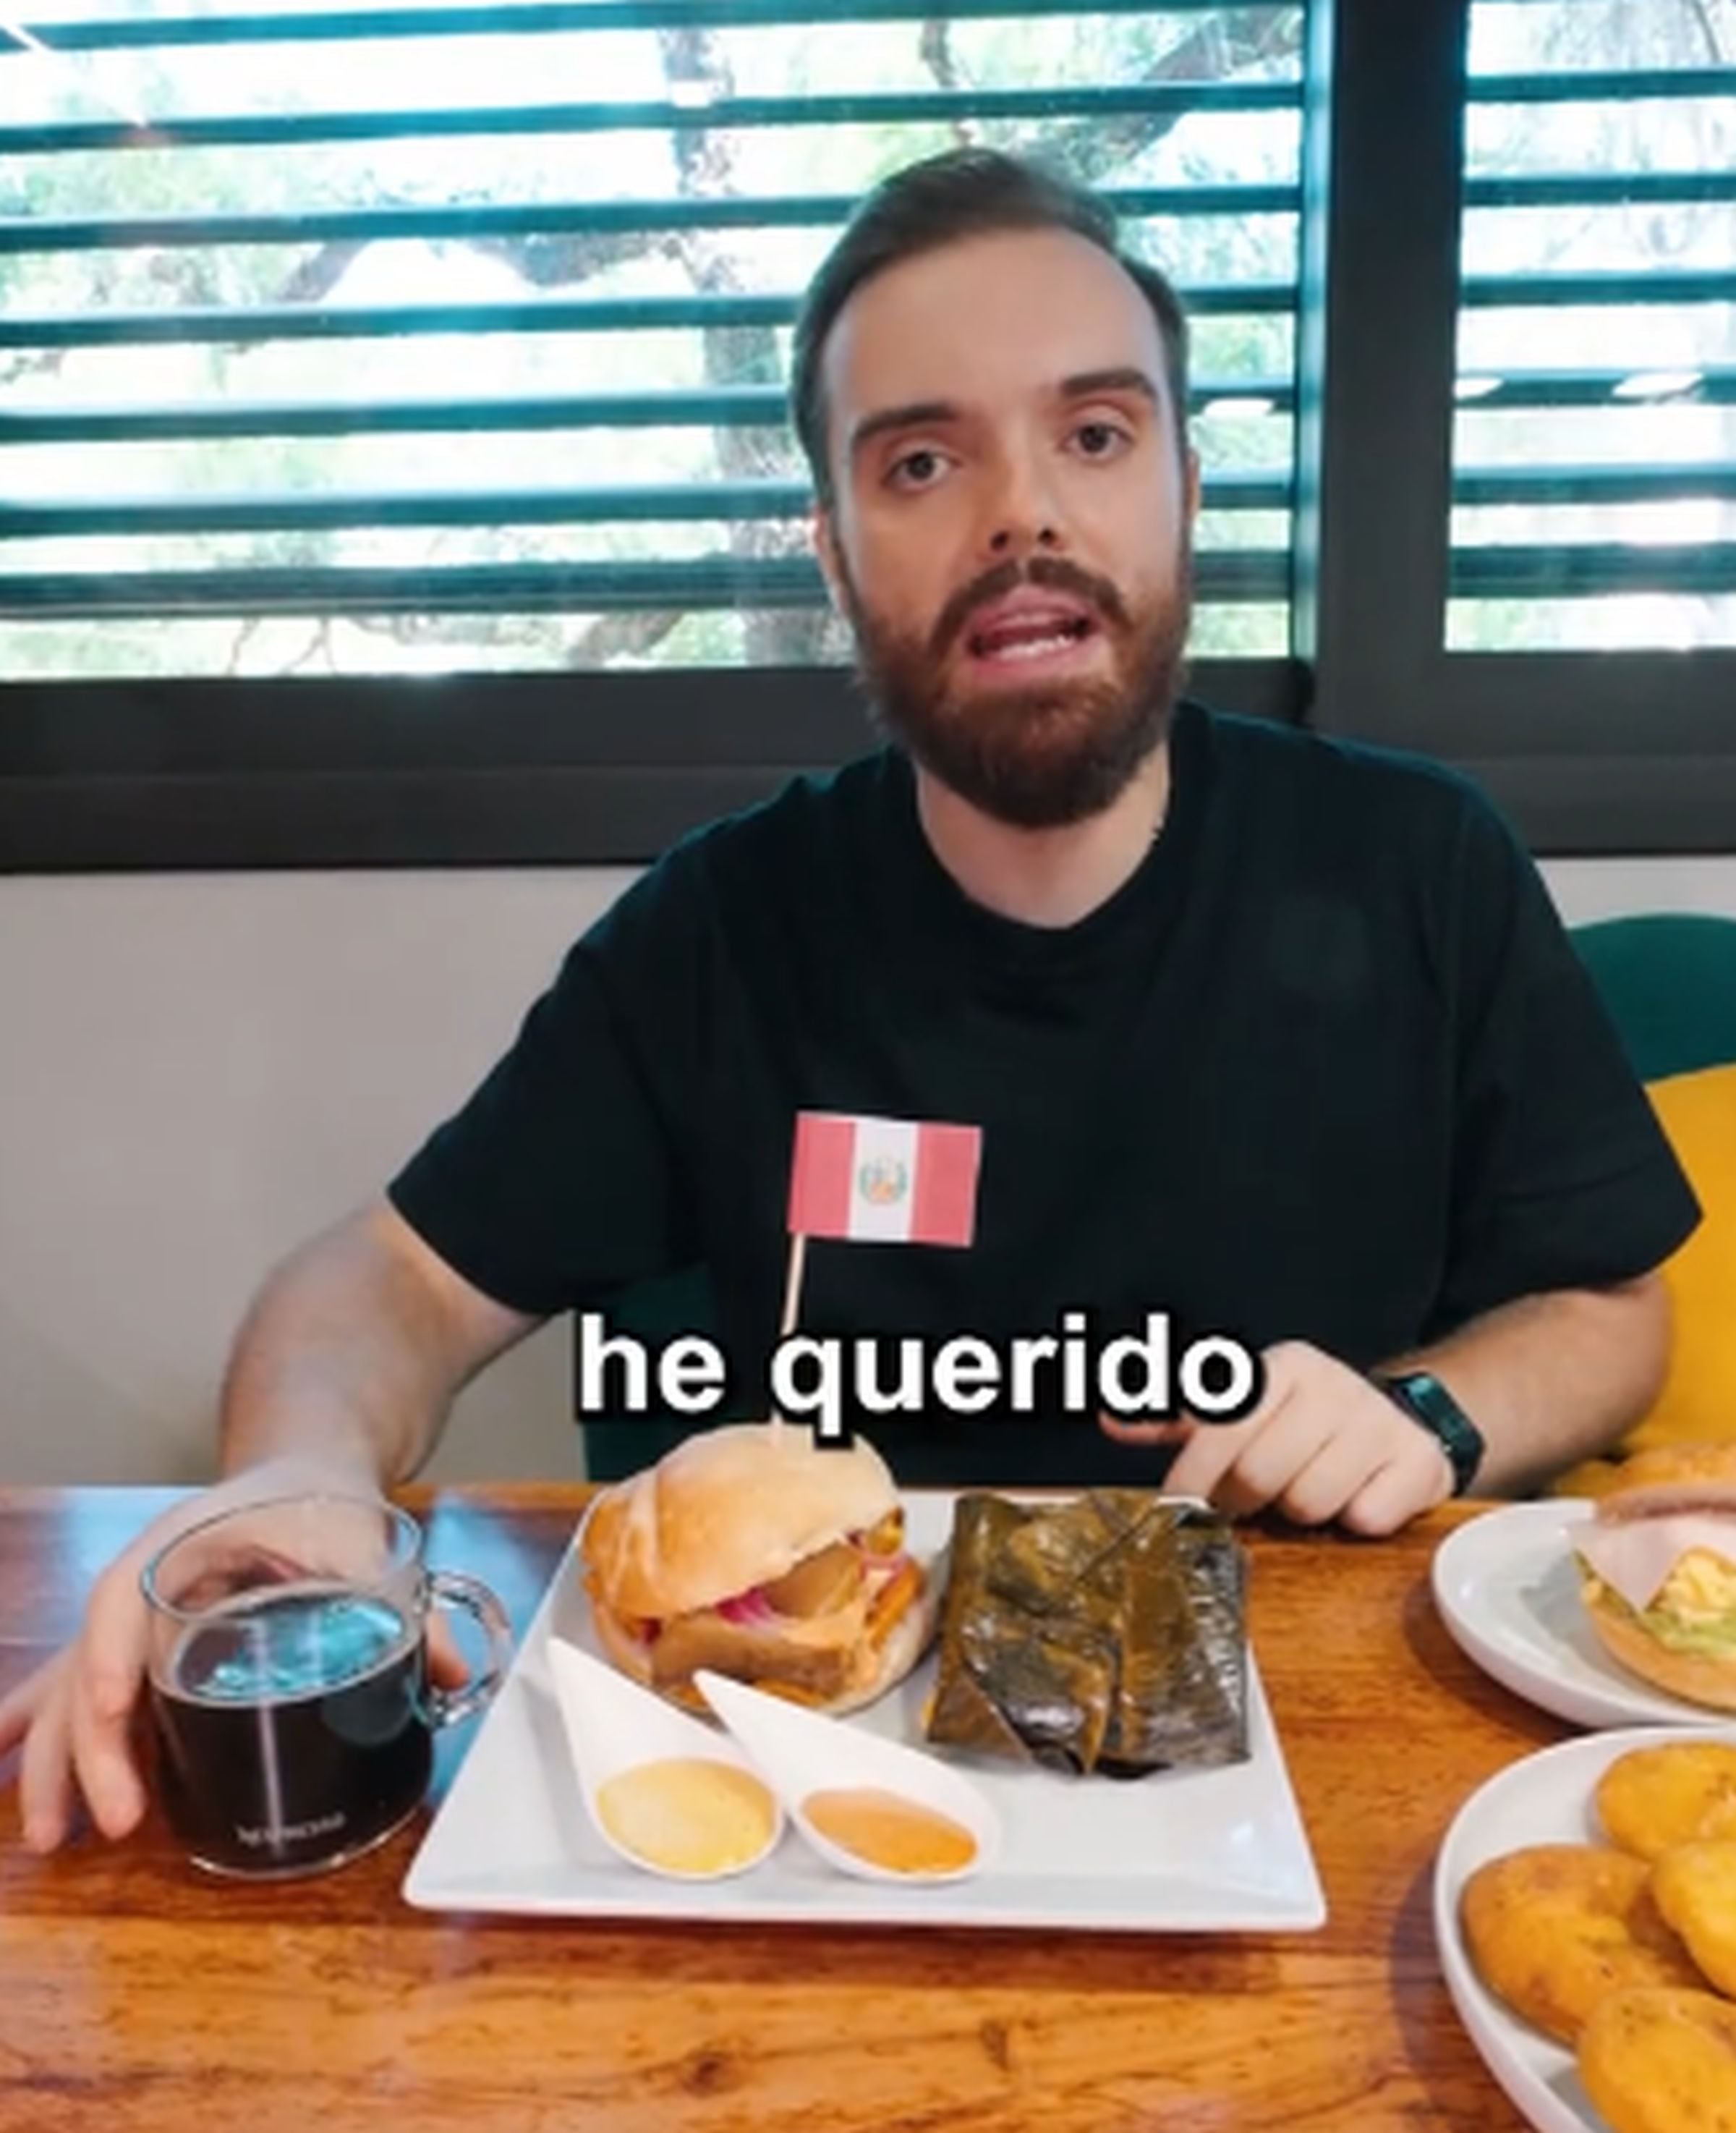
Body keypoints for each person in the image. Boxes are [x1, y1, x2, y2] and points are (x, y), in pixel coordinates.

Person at [1, 148, 1697, 1854]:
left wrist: (1428, 1411)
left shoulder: (1420, 862)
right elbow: (387, 1280)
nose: (1021, 512)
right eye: (921, 459)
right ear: (829, 546)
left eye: (1094, 436)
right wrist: (301, 1476)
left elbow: (1615, 1310)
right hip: (813, 1801)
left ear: (1187, 480)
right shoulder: (723, 928)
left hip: (1317, 1781)